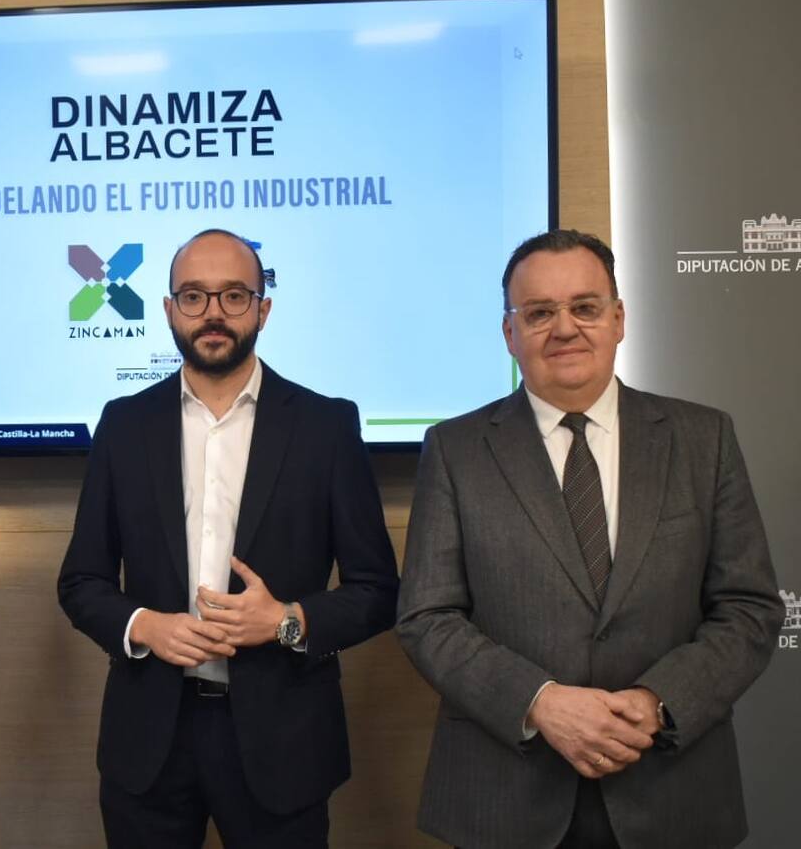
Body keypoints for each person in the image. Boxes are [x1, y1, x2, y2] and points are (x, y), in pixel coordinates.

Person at [395, 229, 783, 849]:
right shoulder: (455, 449)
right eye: (539, 313)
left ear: (618, 319)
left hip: (671, 785)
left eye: (584, 307)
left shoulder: (703, 439)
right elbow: (427, 617)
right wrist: (541, 703)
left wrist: (658, 701)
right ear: (509, 333)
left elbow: (749, 607)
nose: (565, 328)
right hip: (507, 796)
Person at [57, 228, 398, 848]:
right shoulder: (124, 424)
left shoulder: (326, 426)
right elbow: (82, 582)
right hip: (149, 739)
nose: (213, 312)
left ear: (263, 309)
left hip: (284, 741)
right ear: (169, 310)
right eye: (194, 296)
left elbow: (377, 591)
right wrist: (144, 626)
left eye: (234, 296)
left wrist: (287, 622)